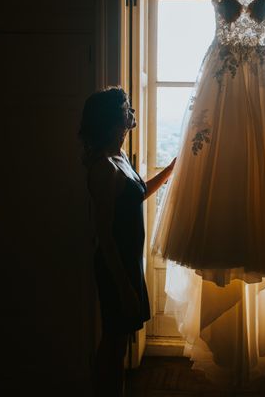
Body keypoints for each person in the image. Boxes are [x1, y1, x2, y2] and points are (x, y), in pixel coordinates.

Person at [78, 87, 175, 397]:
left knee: (118, 342)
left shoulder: (119, 157)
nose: (132, 113)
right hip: (114, 266)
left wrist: (170, 171)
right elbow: (104, 236)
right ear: (111, 119)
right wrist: (124, 287)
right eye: (126, 108)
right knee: (113, 342)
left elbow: (140, 193)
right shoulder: (103, 168)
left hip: (128, 262)